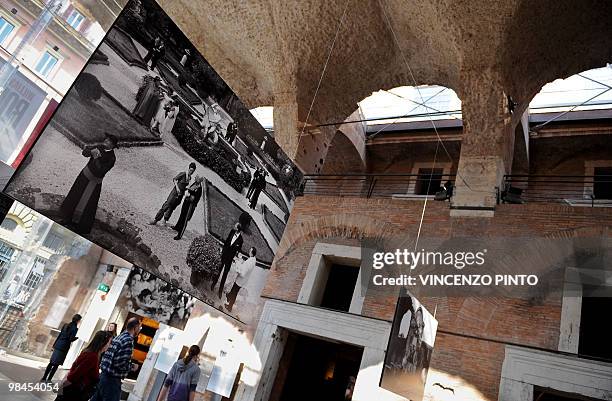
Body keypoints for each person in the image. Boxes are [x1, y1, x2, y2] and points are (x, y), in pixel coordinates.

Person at [59, 134, 118, 234]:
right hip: (84, 177)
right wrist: (90, 151)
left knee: (88, 206)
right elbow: (84, 153)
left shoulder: (112, 158)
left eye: (108, 141)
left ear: (112, 145)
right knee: (75, 196)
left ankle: (78, 226)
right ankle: (67, 218)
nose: (105, 141)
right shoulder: (99, 146)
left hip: (94, 183)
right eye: (106, 139)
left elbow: (101, 171)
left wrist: (96, 158)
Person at [91, 317, 141, 401]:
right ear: (135, 327)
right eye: (140, 327)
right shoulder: (128, 340)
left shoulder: (119, 336)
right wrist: (132, 366)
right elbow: (119, 363)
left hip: (103, 377)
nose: (139, 330)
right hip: (112, 381)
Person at [56, 331, 112, 401]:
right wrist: (61, 388)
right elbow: (74, 375)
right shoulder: (92, 356)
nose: (110, 345)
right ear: (102, 343)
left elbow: (73, 369)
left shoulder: (91, 353)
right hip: (74, 394)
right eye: (109, 343)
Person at [42, 314, 81, 382]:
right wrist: (77, 338)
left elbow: (59, 335)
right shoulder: (75, 329)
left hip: (58, 345)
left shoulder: (65, 325)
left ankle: (44, 378)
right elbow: (71, 339)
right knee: (56, 364)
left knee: (51, 362)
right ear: (78, 321)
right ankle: (49, 379)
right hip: (64, 347)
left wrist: (54, 344)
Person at [210, 223, 243, 299]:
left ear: (238, 229)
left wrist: (236, 256)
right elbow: (227, 241)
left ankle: (220, 291)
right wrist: (223, 251)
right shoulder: (232, 231)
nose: (233, 226)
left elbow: (238, 250)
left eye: (235, 226)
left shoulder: (241, 240)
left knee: (225, 275)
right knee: (218, 270)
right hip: (224, 255)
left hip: (229, 259)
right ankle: (213, 284)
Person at [224, 247, 257, 312]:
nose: (249, 251)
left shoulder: (249, 262)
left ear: (252, 253)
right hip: (243, 280)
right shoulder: (253, 260)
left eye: (250, 251)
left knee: (234, 293)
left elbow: (242, 272)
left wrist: (238, 263)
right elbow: (246, 268)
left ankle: (229, 307)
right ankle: (228, 296)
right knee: (234, 290)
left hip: (240, 280)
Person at [173, 175, 203, 240]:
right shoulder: (195, 184)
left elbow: (194, 199)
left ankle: (179, 235)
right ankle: (177, 227)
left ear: (199, 180)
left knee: (185, 219)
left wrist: (189, 195)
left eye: (197, 178)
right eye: (196, 177)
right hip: (186, 202)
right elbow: (190, 189)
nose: (195, 178)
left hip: (190, 205)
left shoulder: (199, 189)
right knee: (182, 215)